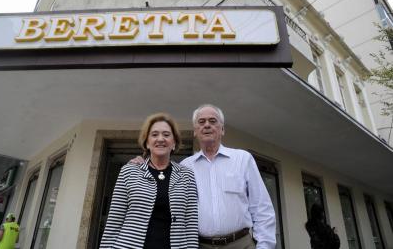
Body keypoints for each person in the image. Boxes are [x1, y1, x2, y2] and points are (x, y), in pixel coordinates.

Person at [131, 104, 276, 249]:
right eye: (201, 122)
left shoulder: (243, 159)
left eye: (213, 121)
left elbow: (261, 208)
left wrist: (265, 246)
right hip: (200, 245)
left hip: (241, 244)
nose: (207, 125)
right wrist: (145, 166)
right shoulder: (184, 167)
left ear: (222, 129)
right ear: (195, 131)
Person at [99, 113, 198, 249]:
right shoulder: (129, 171)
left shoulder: (187, 175)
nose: (160, 139)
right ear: (147, 142)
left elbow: (190, 224)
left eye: (166, 134)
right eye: (154, 134)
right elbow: (114, 220)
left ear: (174, 143)